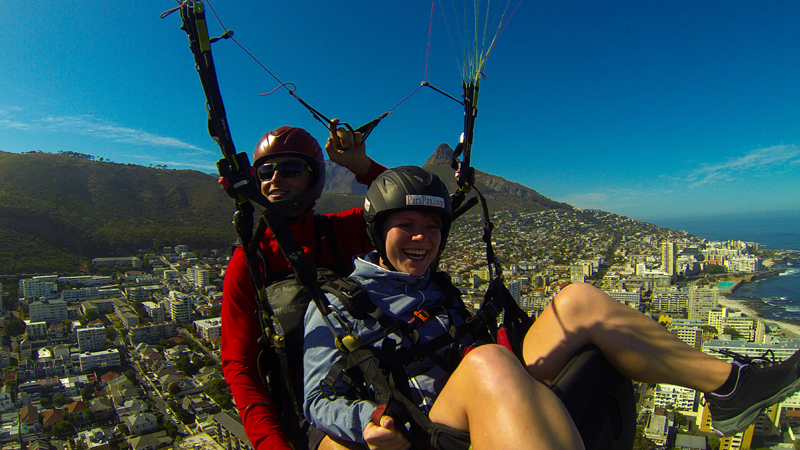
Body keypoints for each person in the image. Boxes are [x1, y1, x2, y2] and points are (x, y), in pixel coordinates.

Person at [303, 165, 800, 450]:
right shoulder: (337, 303)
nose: (422, 238)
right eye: (405, 226)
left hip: (482, 392)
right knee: (489, 361)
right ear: (376, 231)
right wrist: (367, 420)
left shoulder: (439, 287)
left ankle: (730, 388)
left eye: (432, 228)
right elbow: (316, 401)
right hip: (422, 424)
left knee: (577, 301)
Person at [221, 120, 386, 450]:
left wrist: (362, 167)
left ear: (314, 176)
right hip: (308, 411)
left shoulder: (338, 232)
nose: (275, 179)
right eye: (265, 172)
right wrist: (272, 443)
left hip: (376, 383)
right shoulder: (251, 262)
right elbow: (240, 365)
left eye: (291, 168)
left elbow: (416, 211)